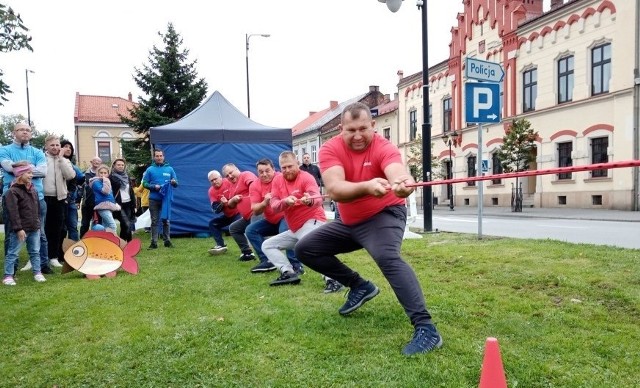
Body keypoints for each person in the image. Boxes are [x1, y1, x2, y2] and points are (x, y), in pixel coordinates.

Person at [295, 102, 443, 356]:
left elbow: (397, 172)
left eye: (363, 128)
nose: (357, 136)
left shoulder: (384, 147)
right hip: (348, 222)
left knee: (386, 256)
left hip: (383, 215)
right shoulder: (330, 149)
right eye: (350, 130)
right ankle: (360, 286)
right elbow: (335, 190)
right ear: (341, 129)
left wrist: (403, 183)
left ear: (373, 126)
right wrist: (366, 186)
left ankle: (426, 328)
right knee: (305, 248)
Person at [262, 151, 326, 286]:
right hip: (295, 228)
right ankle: (288, 273)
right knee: (267, 245)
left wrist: (309, 201)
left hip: (313, 221)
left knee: (310, 246)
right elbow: (274, 205)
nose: (287, 170)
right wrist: (285, 202)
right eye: (283, 167)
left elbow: (317, 198)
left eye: (290, 166)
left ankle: (332, 279)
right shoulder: (277, 180)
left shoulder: (307, 177)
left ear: (297, 164)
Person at [0, 122, 51, 274]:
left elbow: (43, 171)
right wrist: (28, 168)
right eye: (21, 130)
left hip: (37, 197)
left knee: (40, 232)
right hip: (12, 196)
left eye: (28, 130)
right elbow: (8, 167)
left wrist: (21, 168)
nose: (25, 132)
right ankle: (12, 269)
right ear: (13, 132)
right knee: (11, 233)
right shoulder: (4, 150)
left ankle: (42, 266)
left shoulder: (37, 152)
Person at [245, 158, 304, 274]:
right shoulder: (255, 185)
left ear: (274, 170)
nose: (264, 174)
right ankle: (267, 260)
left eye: (267, 170)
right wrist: (264, 202)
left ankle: (296, 264)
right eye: (261, 172)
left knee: (285, 231)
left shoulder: (282, 178)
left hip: (286, 216)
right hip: (271, 220)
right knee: (250, 230)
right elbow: (255, 210)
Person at [3, 162, 46, 285]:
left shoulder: (33, 190)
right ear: (20, 174)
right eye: (28, 173)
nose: (31, 175)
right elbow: (13, 213)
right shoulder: (12, 192)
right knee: (13, 253)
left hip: (34, 227)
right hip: (20, 229)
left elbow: (37, 209)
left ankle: (37, 272)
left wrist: (37, 224)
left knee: (35, 252)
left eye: (32, 172)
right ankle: (8, 275)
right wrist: (18, 229)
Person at [42, 135, 76, 269]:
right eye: (52, 145)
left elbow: (70, 175)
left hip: (59, 198)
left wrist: (61, 159)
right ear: (46, 147)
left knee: (57, 228)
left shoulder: (64, 160)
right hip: (44, 196)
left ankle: (54, 257)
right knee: (42, 229)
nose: (55, 147)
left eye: (57, 145)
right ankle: (38, 256)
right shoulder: (42, 159)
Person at [142, 149, 178, 249]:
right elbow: (144, 183)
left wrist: (174, 182)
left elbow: (176, 183)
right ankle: (154, 243)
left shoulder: (170, 169)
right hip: (153, 199)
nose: (159, 158)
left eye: (160, 156)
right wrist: (154, 187)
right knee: (154, 221)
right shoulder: (150, 169)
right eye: (157, 156)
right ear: (154, 157)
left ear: (163, 157)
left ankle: (167, 241)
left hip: (165, 199)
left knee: (166, 220)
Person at [220, 163, 257, 261]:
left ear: (237, 169)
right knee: (234, 228)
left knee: (251, 231)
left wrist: (240, 198)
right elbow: (231, 206)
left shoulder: (245, 175)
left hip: (257, 212)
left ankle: (266, 258)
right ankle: (247, 253)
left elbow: (255, 187)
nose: (230, 176)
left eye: (231, 172)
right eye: (227, 176)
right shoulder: (231, 187)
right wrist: (231, 201)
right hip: (247, 217)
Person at [206, 170, 241, 255]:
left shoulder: (229, 181)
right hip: (228, 215)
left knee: (236, 228)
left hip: (238, 213)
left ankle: (246, 249)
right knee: (213, 223)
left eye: (215, 179)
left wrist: (227, 201)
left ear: (221, 177)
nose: (214, 182)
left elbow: (239, 196)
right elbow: (216, 210)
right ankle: (220, 245)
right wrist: (221, 204)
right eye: (211, 181)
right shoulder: (211, 191)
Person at [60, 140, 84, 242]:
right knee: (61, 227)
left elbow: (81, 178)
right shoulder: (55, 162)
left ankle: (74, 252)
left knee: (73, 226)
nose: (68, 149)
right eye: (65, 146)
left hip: (71, 201)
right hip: (60, 200)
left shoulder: (73, 166)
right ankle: (59, 251)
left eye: (70, 147)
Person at [110, 158, 136, 241]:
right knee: (127, 224)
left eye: (122, 165)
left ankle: (123, 243)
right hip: (118, 204)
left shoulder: (126, 176)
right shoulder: (111, 177)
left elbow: (130, 191)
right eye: (118, 165)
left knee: (125, 225)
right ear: (114, 165)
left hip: (128, 203)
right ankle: (128, 243)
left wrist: (134, 204)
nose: (121, 166)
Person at [90, 165, 120, 231]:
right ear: (98, 173)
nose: (103, 175)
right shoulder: (95, 182)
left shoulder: (104, 181)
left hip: (109, 206)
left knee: (106, 226)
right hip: (102, 206)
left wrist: (114, 203)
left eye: (105, 173)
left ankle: (103, 238)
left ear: (108, 174)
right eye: (101, 173)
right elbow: (105, 191)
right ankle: (113, 240)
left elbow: (110, 195)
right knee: (113, 226)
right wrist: (106, 181)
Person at [79, 157, 102, 238]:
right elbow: (81, 187)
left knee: (99, 223)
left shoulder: (103, 173)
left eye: (99, 161)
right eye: (95, 161)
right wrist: (77, 200)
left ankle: (97, 240)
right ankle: (82, 240)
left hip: (100, 203)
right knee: (85, 224)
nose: (97, 162)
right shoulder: (85, 174)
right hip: (87, 202)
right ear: (91, 162)